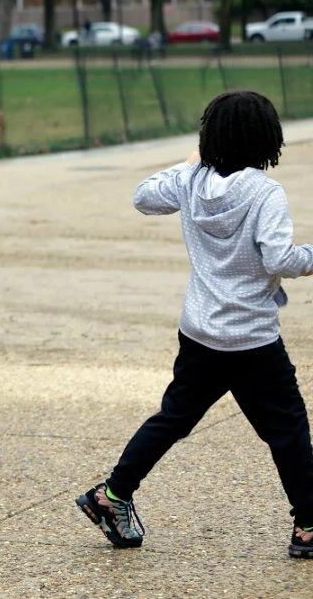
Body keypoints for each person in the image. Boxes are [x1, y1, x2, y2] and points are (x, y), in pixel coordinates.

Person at [76, 90, 313, 558]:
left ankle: (113, 494)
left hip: (201, 331)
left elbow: (143, 197)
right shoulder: (265, 193)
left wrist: (191, 164)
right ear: (267, 139)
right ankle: (308, 524)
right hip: (251, 339)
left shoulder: (190, 181)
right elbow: (281, 258)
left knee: (173, 419)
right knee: (287, 430)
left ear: (209, 139)